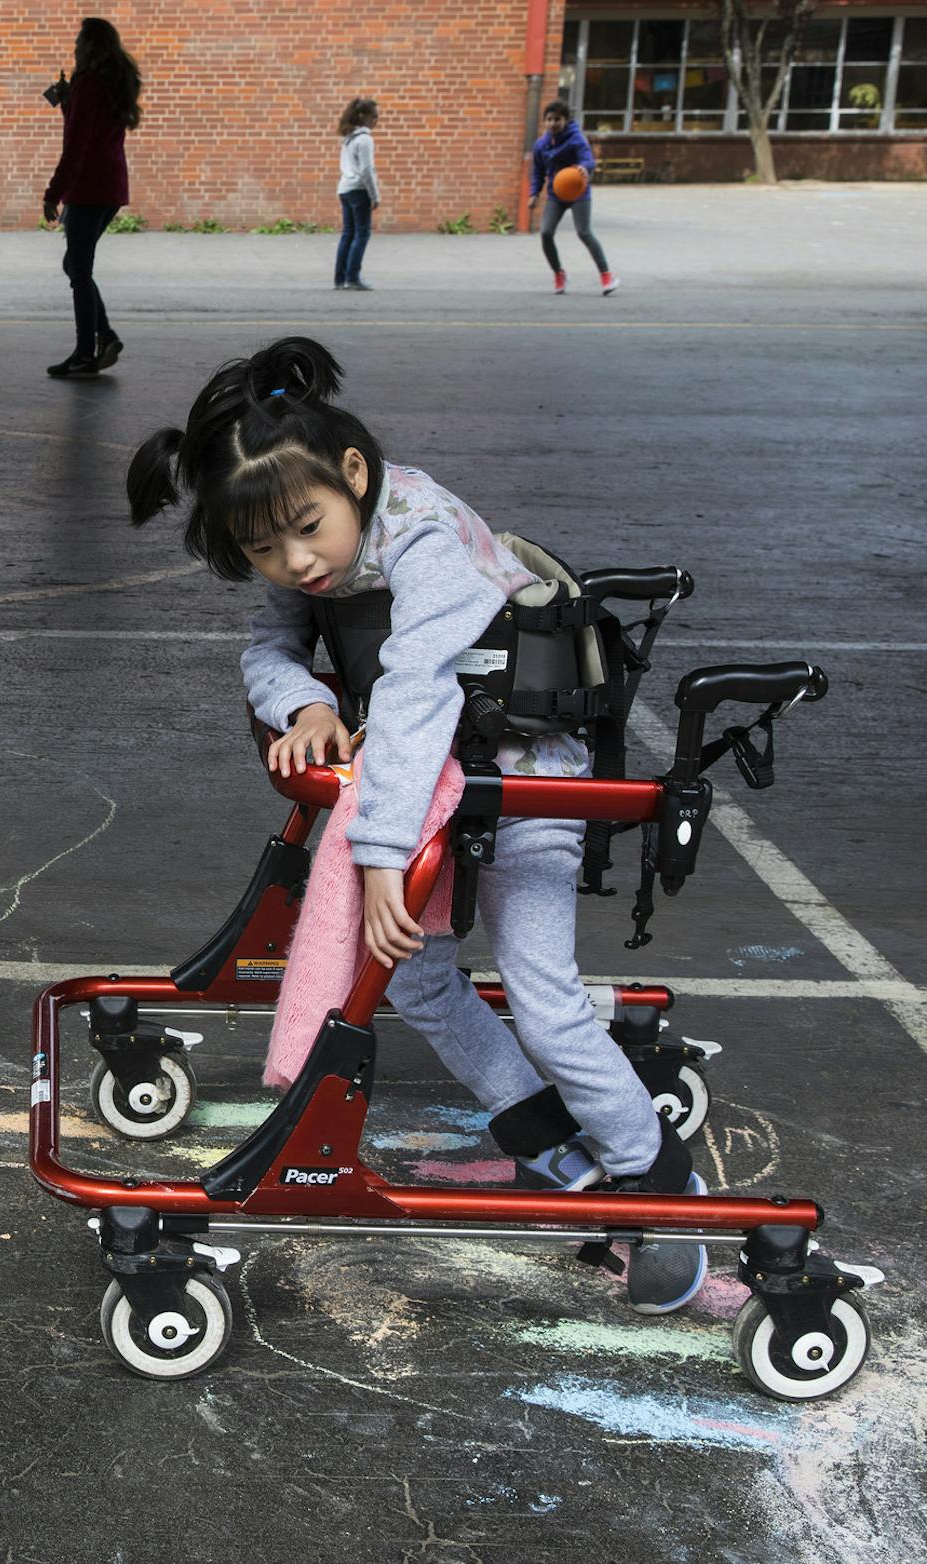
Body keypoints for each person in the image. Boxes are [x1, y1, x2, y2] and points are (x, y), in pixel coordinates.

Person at [127, 336, 706, 1313]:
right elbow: (270, 647)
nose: (294, 562)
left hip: (527, 775)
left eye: (305, 531)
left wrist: (381, 856)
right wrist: (302, 704)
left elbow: (412, 693)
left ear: (355, 473)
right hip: (437, 782)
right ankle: (545, 1136)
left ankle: (660, 1180)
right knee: (419, 974)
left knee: (544, 990)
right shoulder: (303, 542)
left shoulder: (429, 541)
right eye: (265, 549)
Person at [43, 16, 140, 378]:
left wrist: (53, 193)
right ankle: (105, 336)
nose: (75, 47)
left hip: (88, 188)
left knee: (79, 271)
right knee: (75, 266)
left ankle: (86, 354)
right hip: (110, 187)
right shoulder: (111, 85)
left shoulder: (89, 86)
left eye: (80, 41)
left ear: (91, 47)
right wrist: (69, 103)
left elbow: (76, 147)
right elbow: (90, 131)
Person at [529, 99, 615, 296]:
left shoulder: (576, 138)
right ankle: (559, 273)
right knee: (546, 233)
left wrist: (584, 167)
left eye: (557, 119)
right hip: (556, 194)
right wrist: (534, 193)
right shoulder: (541, 145)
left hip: (578, 193)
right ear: (545, 122)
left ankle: (606, 275)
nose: (553, 123)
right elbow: (538, 172)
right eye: (549, 120)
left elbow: (588, 160)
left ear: (566, 120)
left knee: (584, 232)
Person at [334, 97, 380, 292]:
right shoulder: (364, 139)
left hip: (345, 188)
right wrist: (374, 195)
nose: (377, 120)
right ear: (363, 116)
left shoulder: (348, 138)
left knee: (348, 234)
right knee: (361, 234)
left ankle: (340, 278)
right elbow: (367, 170)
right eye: (374, 116)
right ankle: (352, 278)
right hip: (358, 190)